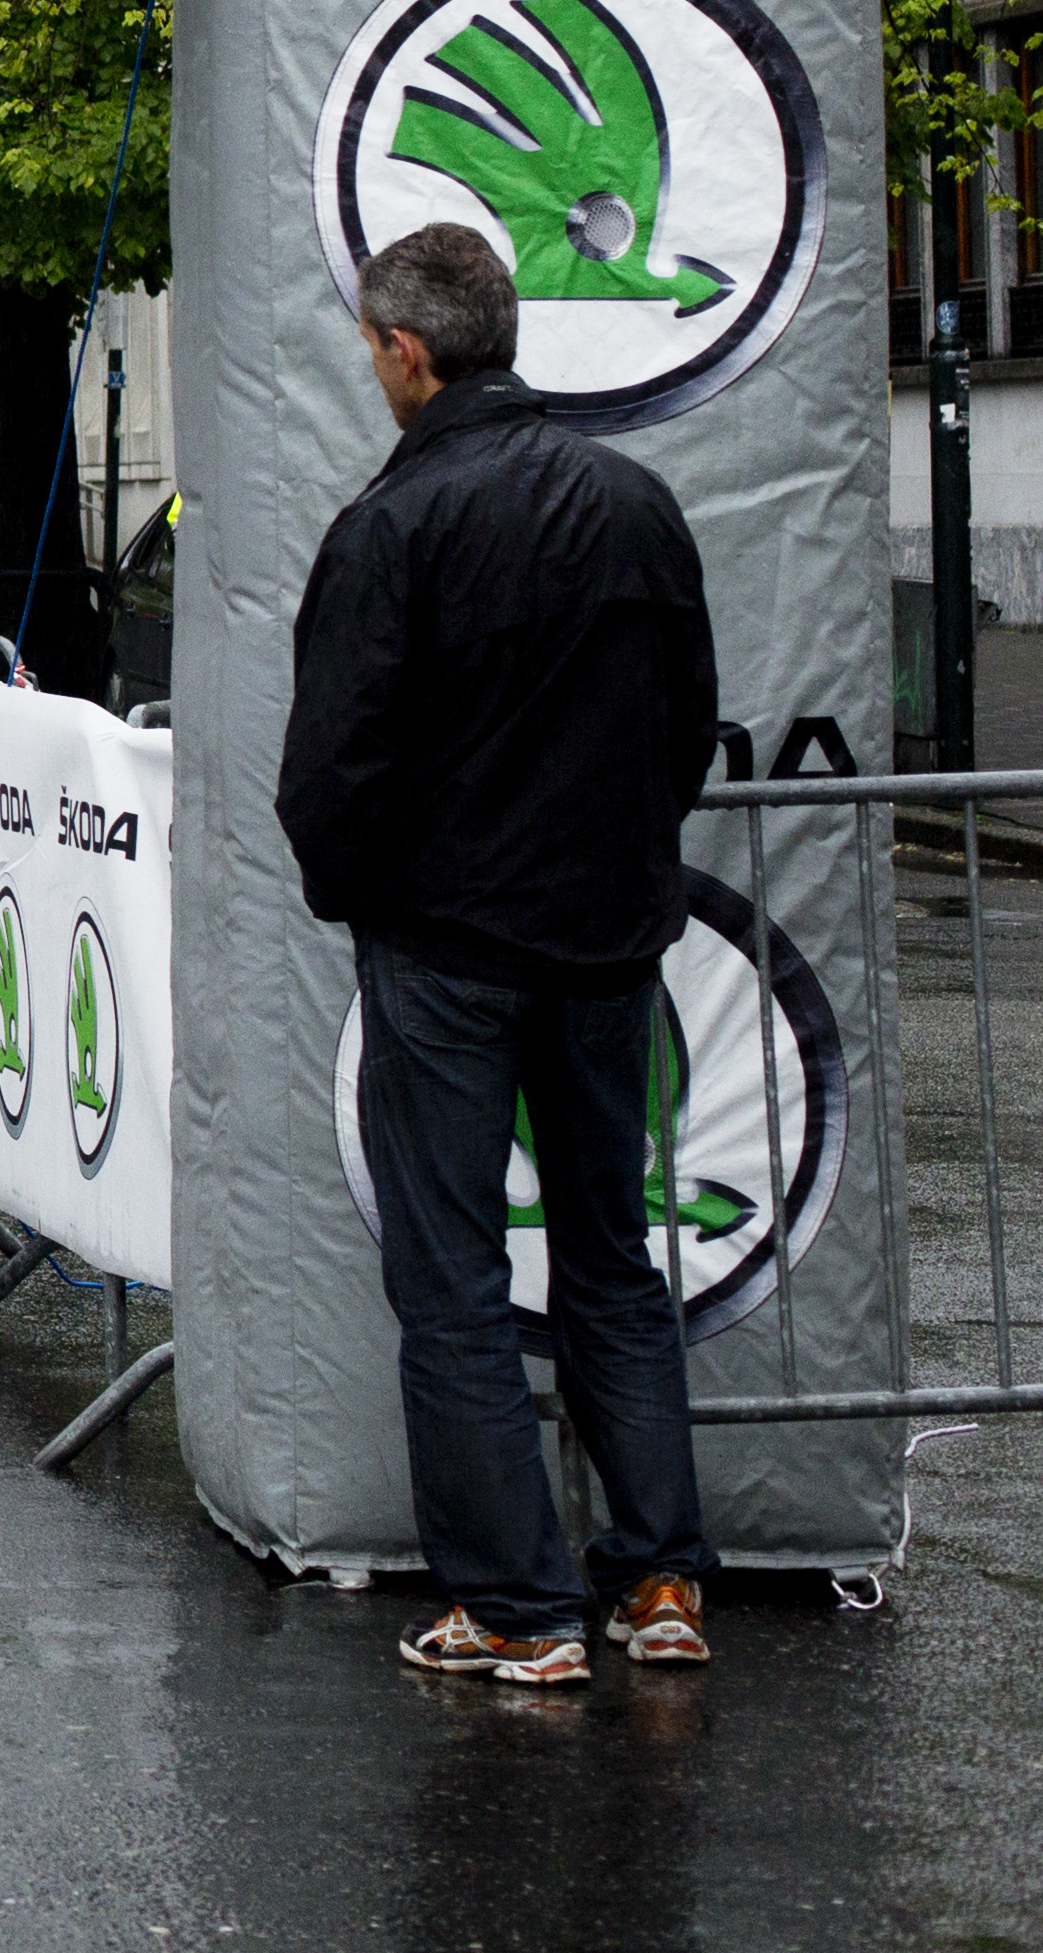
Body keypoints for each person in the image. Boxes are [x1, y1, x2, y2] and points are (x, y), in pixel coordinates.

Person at [279, 222, 725, 1692]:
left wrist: (365, 899)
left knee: (456, 1278)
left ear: (408, 356)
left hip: (453, 950)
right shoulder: (635, 502)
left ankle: (521, 1610)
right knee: (612, 1260)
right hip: (606, 945)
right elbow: (687, 722)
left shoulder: (394, 528)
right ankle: (657, 1580)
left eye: (373, 352)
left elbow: (332, 768)